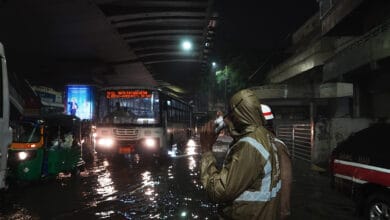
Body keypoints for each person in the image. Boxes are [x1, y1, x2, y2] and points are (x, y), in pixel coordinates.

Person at [200, 89, 281, 220]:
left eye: (231, 114)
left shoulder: (249, 146)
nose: (229, 119)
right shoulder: (265, 135)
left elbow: (218, 192)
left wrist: (206, 149)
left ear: (238, 115)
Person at [261, 104, 292, 220]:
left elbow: (285, 181)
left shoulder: (278, 146)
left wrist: (284, 212)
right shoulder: (279, 145)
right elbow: (287, 182)